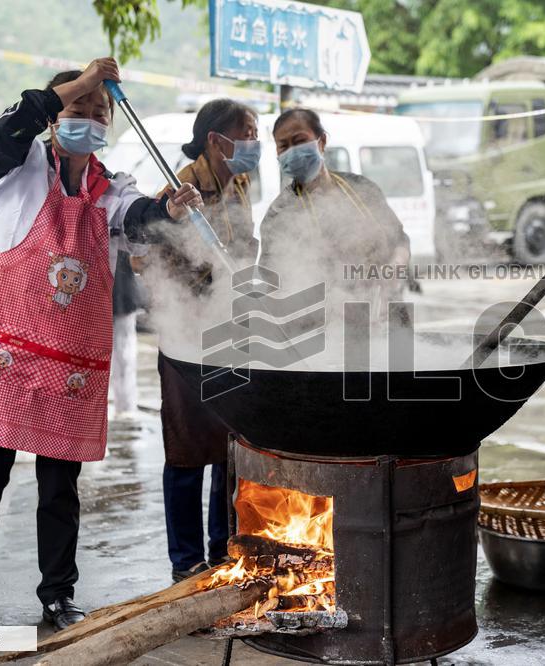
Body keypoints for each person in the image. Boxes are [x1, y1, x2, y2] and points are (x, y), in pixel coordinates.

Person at [0, 58, 202, 629]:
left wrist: (171, 207)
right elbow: (12, 125)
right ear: (55, 115)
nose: (91, 118)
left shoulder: (110, 189)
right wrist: (79, 82)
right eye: (79, 108)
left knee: (59, 488)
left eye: (101, 111)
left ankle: (57, 595)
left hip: (69, 362)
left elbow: (141, 217)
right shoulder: (18, 165)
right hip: (0, 350)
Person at [154, 99, 260, 582]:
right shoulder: (182, 189)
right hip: (185, 332)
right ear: (217, 139)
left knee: (228, 443)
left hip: (229, 328)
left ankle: (222, 546)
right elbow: (152, 259)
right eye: (248, 132)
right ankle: (186, 561)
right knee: (186, 447)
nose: (254, 143)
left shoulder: (240, 184)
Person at [258, 108, 411, 328]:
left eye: (299, 141)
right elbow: (275, 287)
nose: (292, 151)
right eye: (283, 146)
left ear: (322, 141)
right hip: (329, 333)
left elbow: (399, 239)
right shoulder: (279, 215)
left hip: (390, 317)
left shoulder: (362, 188)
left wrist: (396, 265)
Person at [110, 249, 143, 419]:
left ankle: (126, 407)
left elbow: (138, 259)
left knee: (125, 357)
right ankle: (124, 407)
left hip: (124, 294)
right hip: (103, 295)